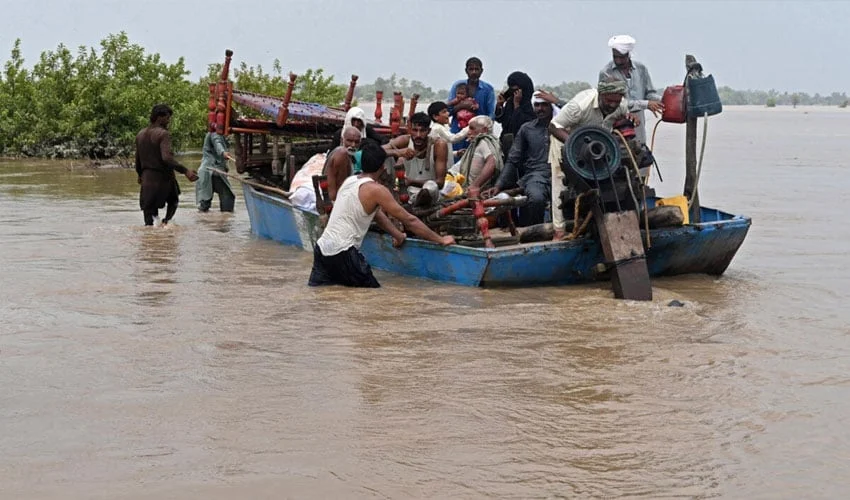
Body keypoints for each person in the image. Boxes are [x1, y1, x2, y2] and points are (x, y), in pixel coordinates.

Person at [308, 141, 455, 288]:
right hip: (344, 253)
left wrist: (397, 235)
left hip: (322, 250)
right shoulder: (376, 190)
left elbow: (376, 214)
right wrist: (441, 240)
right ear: (383, 167)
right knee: (373, 297)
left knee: (324, 294)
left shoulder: (350, 181)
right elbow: (410, 220)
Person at [548, 80, 632, 240]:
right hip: (565, 142)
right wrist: (575, 145)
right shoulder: (580, 106)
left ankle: (603, 222)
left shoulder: (621, 106)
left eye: (616, 101)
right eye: (609, 100)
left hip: (598, 148)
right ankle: (559, 231)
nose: (613, 105)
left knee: (604, 180)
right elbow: (554, 126)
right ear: (600, 94)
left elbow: (621, 120)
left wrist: (630, 119)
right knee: (561, 183)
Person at [492, 93, 557, 226]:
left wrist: (557, 101)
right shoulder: (527, 129)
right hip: (536, 175)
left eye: (544, 105)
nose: (540, 108)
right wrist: (499, 185)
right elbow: (513, 159)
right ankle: (537, 231)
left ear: (551, 107)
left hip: (561, 174)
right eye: (537, 105)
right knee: (536, 199)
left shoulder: (564, 127)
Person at [135, 104, 198, 226]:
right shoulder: (163, 134)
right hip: (163, 177)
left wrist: (140, 174)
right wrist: (186, 171)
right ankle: (166, 223)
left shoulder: (140, 134)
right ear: (160, 117)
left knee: (149, 216)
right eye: (167, 118)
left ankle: (152, 235)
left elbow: (137, 160)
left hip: (147, 179)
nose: (168, 121)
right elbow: (167, 158)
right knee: (173, 201)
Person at [598, 34, 663, 145]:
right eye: (615, 57)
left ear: (628, 54)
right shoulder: (606, 73)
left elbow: (649, 94)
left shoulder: (641, 69)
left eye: (621, 57)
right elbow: (616, 103)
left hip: (638, 126)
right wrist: (646, 104)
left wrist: (663, 101)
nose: (618, 60)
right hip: (615, 126)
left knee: (640, 150)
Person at [384, 112, 449, 206]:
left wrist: (411, 182)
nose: (418, 135)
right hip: (405, 191)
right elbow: (377, 151)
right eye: (415, 130)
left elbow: (440, 183)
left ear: (429, 131)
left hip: (429, 194)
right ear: (409, 130)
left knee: (431, 187)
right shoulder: (405, 140)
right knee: (386, 157)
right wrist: (398, 152)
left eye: (422, 131)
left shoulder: (438, 145)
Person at [447, 57, 496, 153]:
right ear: (466, 71)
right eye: (471, 69)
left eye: (476, 69)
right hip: (458, 132)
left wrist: (485, 131)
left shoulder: (488, 89)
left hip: (478, 134)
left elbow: (491, 115)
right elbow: (448, 111)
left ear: (481, 71)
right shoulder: (458, 86)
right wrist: (462, 106)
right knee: (458, 157)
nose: (474, 72)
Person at [456, 115, 503, 191]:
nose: (469, 132)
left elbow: (492, 162)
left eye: (472, 128)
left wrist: (475, 186)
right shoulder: (476, 142)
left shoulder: (484, 142)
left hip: (478, 191)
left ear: (484, 130)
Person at [195, 124, 235, 212]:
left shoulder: (212, 133)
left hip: (205, 171)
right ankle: (226, 218)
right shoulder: (215, 134)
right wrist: (223, 153)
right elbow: (218, 143)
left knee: (204, 204)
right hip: (213, 171)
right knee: (228, 196)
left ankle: (203, 220)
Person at [494, 71, 536, 153]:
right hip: (506, 144)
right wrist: (499, 105)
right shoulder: (510, 103)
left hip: (522, 146)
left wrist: (517, 106)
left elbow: (524, 123)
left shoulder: (531, 105)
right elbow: (500, 119)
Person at [324, 125, 363, 202]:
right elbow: (341, 187)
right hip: (335, 201)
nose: (353, 145)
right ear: (342, 140)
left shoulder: (352, 156)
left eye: (356, 142)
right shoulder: (341, 153)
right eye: (349, 141)